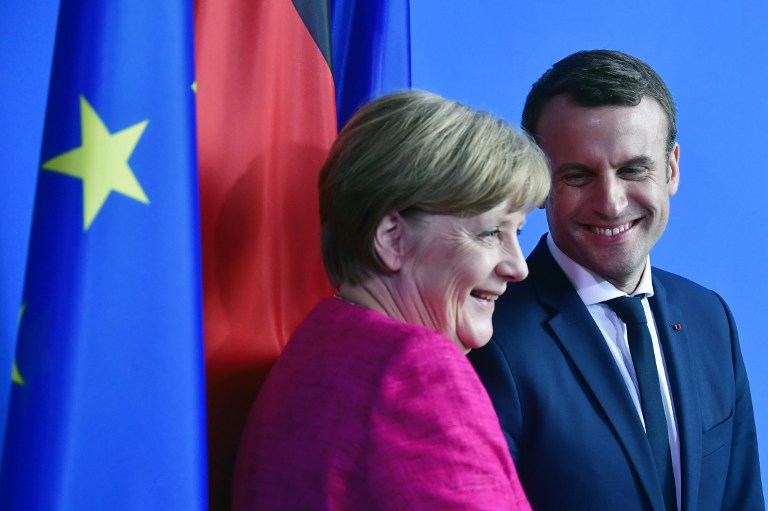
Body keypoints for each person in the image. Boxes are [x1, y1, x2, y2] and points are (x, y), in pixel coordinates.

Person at [469, 49, 765, 511]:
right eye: (578, 175)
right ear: (539, 183)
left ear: (671, 169)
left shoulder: (712, 320)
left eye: (633, 170)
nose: (610, 203)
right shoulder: (488, 336)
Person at [231, 90, 550, 510]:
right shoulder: (416, 371)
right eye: (490, 232)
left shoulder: (318, 349)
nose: (518, 266)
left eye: (518, 232)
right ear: (392, 238)